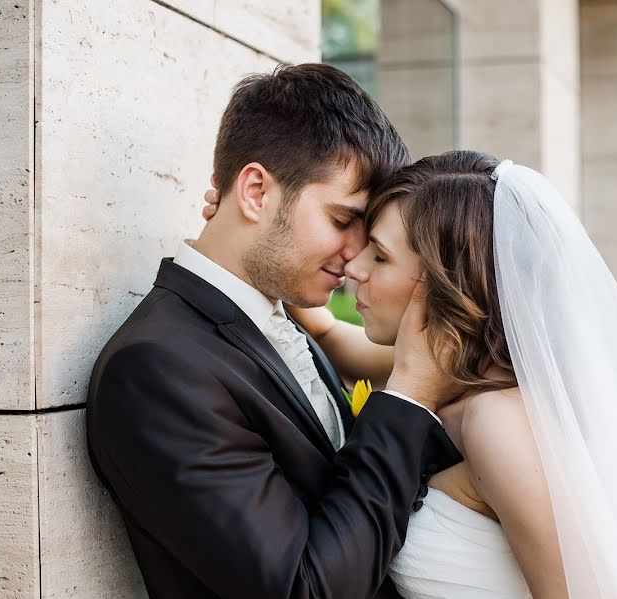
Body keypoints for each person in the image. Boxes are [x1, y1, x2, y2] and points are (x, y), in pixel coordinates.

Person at [207, 150, 617, 598]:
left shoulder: (496, 420)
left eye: (380, 256)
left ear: (449, 287)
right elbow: (328, 336)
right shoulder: (451, 372)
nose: (354, 268)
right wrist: (245, 235)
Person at [85, 64, 462, 599]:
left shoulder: (280, 319)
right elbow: (302, 588)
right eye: (340, 221)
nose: (356, 256)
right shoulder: (157, 369)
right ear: (256, 191)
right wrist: (405, 402)